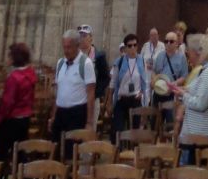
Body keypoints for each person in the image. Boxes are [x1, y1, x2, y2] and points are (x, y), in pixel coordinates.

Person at [169, 34, 208, 164]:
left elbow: (200, 103)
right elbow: (196, 89)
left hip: (202, 139)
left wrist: (183, 95)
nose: (199, 52)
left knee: (191, 175)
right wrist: (183, 90)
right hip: (203, 137)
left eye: (202, 49)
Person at [49, 29, 96, 157]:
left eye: (69, 47)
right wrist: (53, 116)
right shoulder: (60, 63)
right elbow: (58, 91)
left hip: (77, 113)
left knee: (70, 153)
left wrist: (89, 122)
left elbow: (90, 93)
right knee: (55, 151)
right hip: (60, 113)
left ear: (77, 45)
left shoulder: (86, 64)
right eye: (64, 47)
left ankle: (70, 171)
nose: (66, 50)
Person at [0, 43, 36, 163]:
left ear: (15, 58)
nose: (8, 58)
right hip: (24, 118)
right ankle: (22, 173)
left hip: (12, 119)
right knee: (20, 152)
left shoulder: (14, 77)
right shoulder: (30, 73)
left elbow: (8, 103)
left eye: (9, 55)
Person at [104, 32, 148, 143]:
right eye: (130, 45)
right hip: (122, 99)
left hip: (135, 99)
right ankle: (116, 150)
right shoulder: (119, 62)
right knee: (117, 130)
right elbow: (113, 83)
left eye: (135, 45)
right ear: (125, 48)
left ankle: (133, 151)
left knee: (135, 132)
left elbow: (145, 82)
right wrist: (109, 102)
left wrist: (143, 96)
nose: (133, 48)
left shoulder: (142, 61)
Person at [78, 25, 109, 127]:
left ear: (91, 38)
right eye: (80, 35)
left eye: (84, 36)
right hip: (78, 97)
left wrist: (96, 93)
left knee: (90, 128)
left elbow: (105, 78)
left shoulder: (98, 56)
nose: (82, 38)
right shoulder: (75, 55)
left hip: (92, 98)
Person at [141, 28, 165, 101]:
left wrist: (154, 66)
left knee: (155, 92)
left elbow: (163, 60)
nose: (153, 37)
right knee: (146, 93)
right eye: (151, 35)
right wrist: (145, 65)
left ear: (158, 36)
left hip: (157, 73)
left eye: (155, 35)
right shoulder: (145, 45)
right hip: (146, 73)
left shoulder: (162, 46)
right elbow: (140, 59)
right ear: (149, 36)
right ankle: (145, 106)